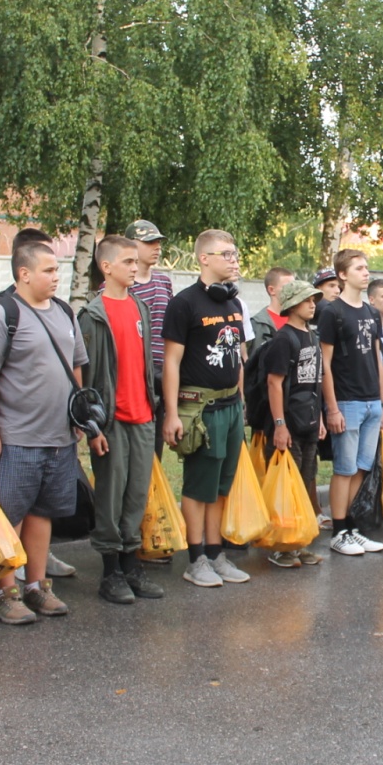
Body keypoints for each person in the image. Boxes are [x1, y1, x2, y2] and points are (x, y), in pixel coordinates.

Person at [0, 240, 88, 623]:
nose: (57, 276)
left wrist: (78, 415)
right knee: (10, 517)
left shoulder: (65, 312)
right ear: (24, 274)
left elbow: (76, 366)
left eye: (58, 270)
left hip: (59, 439)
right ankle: (5, 594)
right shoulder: (2, 315)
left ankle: (36, 588)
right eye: (49, 270)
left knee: (42, 515)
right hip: (17, 438)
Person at [161, 230, 252, 588]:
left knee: (222, 486)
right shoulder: (184, 303)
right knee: (200, 485)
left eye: (235, 253)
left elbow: (240, 358)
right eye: (226, 254)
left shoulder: (233, 303)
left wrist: (241, 401)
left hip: (230, 406)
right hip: (200, 409)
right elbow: (171, 362)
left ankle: (216, 554)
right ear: (204, 258)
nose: (234, 260)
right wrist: (171, 413)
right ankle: (195, 558)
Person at [79, 235, 166, 605]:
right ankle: (110, 570)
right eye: (128, 262)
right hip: (112, 421)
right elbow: (85, 377)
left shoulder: (139, 308)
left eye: (136, 262)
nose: (136, 267)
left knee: (135, 496)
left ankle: (132, 564)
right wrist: (93, 427)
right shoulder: (92, 314)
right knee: (110, 497)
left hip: (143, 417)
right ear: (107, 267)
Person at [316, 248, 383, 556]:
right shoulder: (332, 312)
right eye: (359, 268)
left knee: (361, 467)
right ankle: (339, 530)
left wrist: (381, 401)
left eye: (366, 267)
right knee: (343, 469)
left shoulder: (371, 312)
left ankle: (352, 526)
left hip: (372, 402)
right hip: (346, 401)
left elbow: (377, 357)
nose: (365, 272)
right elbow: (324, 364)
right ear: (343, 275)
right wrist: (331, 408)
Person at [262, 279, 326, 568]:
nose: (312, 304)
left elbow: (316, 382)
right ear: (290, 305)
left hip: (309, 422)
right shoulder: (283, 339)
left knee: (305, 481)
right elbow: (274, 384)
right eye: (306, 300)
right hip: (288, 423)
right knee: (287, 488)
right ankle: (281, 547)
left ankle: (299, 543)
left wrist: (321, 418)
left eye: (314, 300)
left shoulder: (312, 336)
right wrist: (279, 425)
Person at [126, 219, 172, 460]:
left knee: (157, 439)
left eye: (158, 242)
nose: (156, 247)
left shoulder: (164, 282)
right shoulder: (121, 285)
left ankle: (153, 490)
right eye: (149, 242)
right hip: (134, 371)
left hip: (163, 369)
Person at [248, 267, 293, 355]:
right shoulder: (258, 324)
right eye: (288, 287)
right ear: (272, 290)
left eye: (295, 286)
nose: (294, 291)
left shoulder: (299, 319)